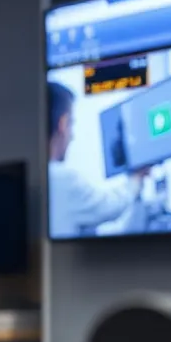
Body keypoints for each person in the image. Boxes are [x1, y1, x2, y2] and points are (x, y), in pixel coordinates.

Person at [47, 80, 149, 238]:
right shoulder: (61, 179)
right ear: (63, 123)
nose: (72, 136)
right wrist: (136, 178)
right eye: (72, 124)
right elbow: (112, 206)